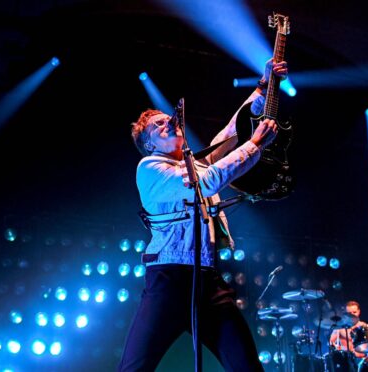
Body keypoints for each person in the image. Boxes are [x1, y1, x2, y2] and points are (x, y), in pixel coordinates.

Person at [118, 59, 288, 372]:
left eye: (168, 119)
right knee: (134, 368)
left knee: (246, 366)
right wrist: (255, 145)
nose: (169, 122)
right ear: (148, 143)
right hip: (169, 279)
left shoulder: (196, 163)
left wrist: (263, 89)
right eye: (158, 125)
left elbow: (231, 134)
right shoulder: (150, 169)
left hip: (206, 279)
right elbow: (208, 181)